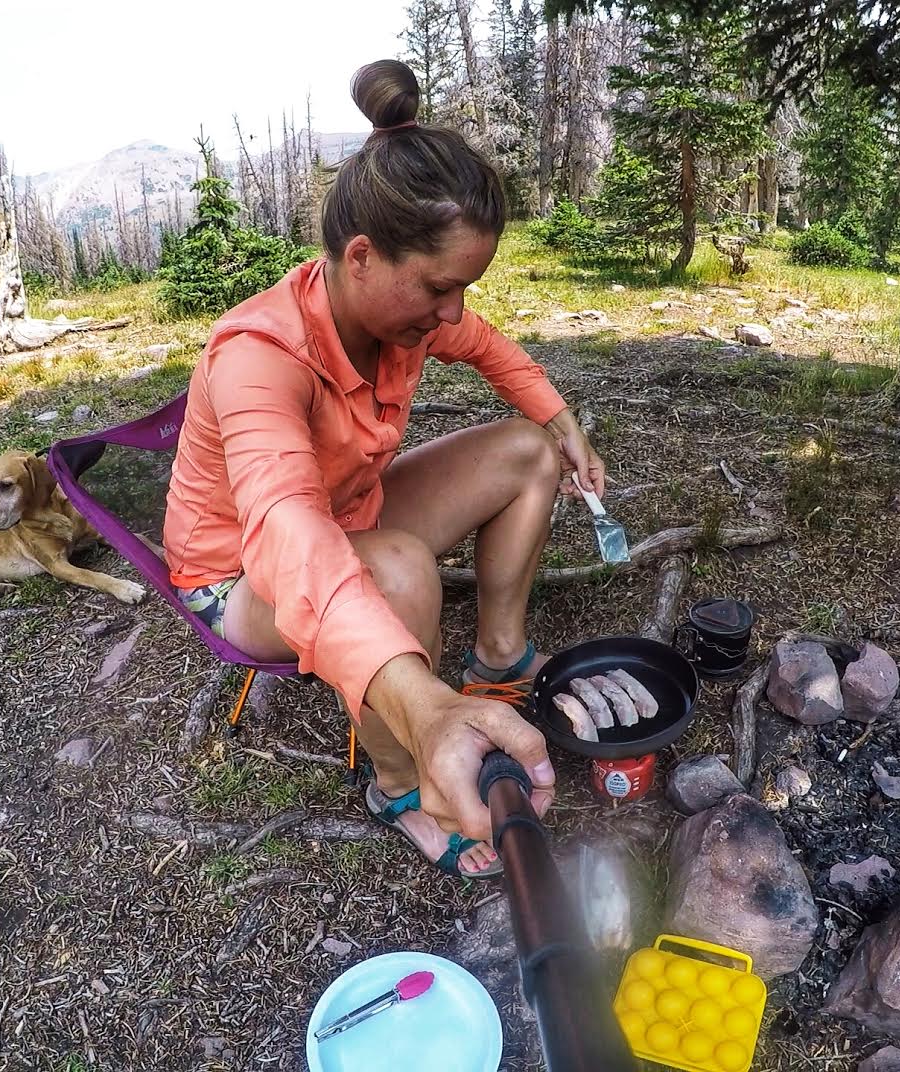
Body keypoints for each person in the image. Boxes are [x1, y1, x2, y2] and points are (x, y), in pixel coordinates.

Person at [163, 59, 607, 878]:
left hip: (351, 509)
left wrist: (560, 420)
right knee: (397, 572)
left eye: (465, 289)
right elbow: (289, 533)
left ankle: (500, 658)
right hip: (238, 571)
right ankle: (399, 780)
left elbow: (491, 350)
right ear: (360, 256)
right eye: (440, 288)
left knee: (524, 451)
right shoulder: (260, 356)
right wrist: (425, 707)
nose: (454, 314)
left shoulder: (412, 316)